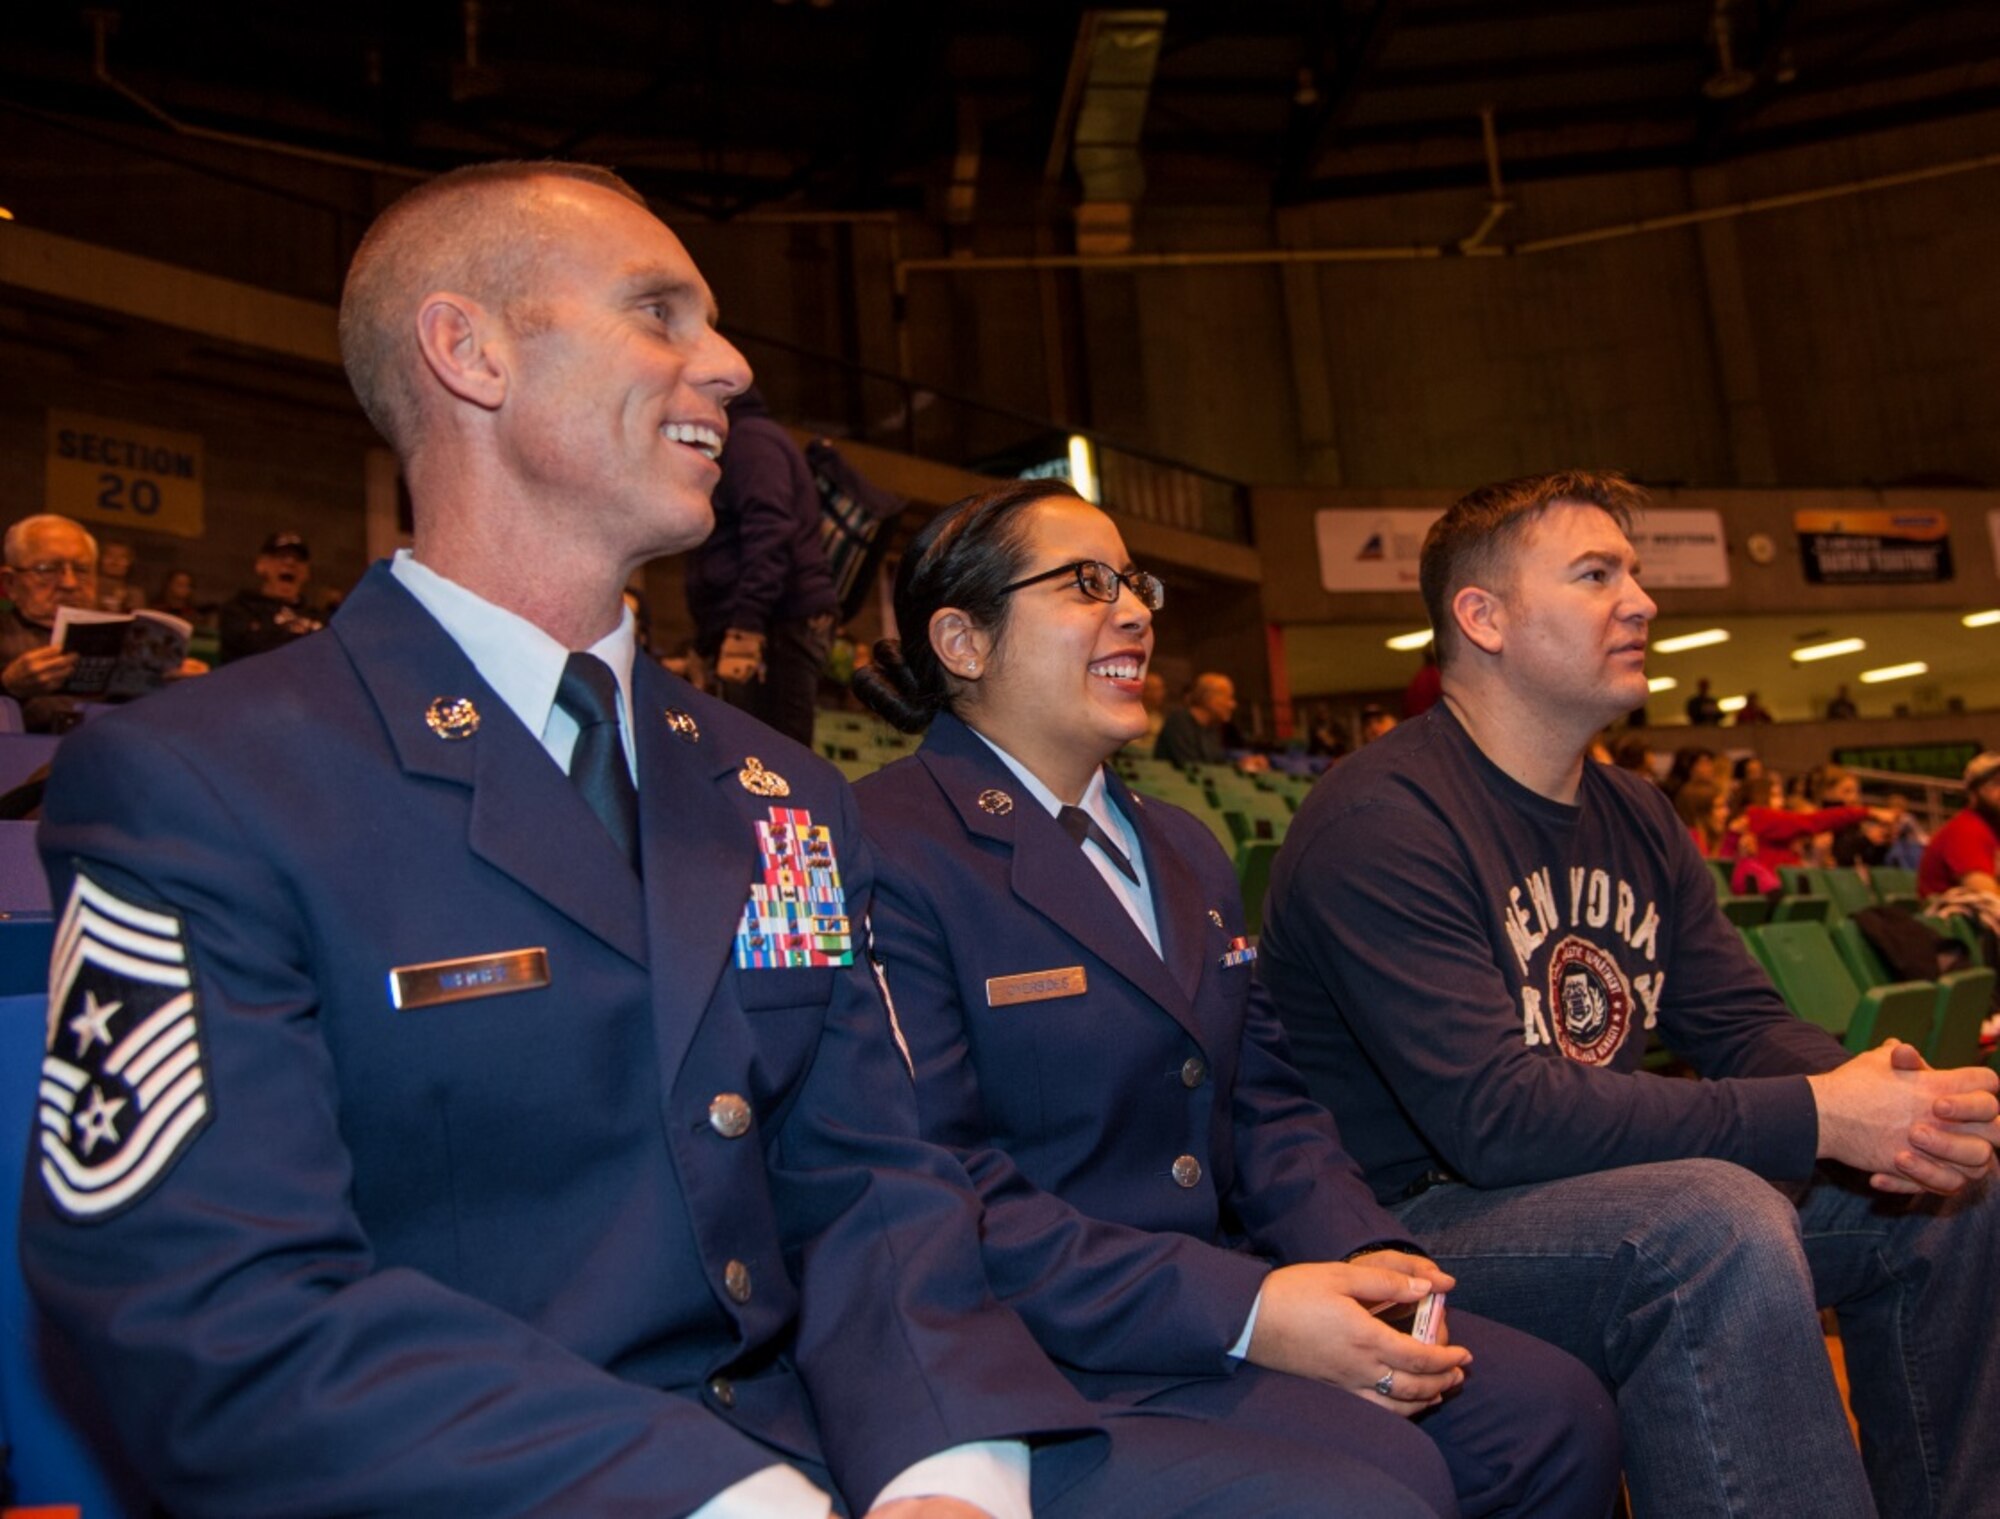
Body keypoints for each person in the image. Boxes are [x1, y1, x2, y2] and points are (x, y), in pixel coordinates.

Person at [17, 160, 1261, 1519]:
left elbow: (869, 1173)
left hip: (844, 1445)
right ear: (470, 350)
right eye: (661, 312)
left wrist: (947, 1469)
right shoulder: (205, 778)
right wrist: (722, 1498)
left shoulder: (774, 787)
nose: (727, 364)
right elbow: (206, 1295)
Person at [849, 479, 1619, 1519]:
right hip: (1035, 1343)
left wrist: (1358, 1252)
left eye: (1133, 582)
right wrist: (1249, 1309)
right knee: (1384, 1485)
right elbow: (942, 1185)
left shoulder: (1182, 848)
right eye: (1084, 584)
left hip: (1209, 1301)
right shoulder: (885, 844)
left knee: (1552, 1415)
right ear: (961, 639)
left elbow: (1266, 1106)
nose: (1133, 610)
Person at [1260, 469, 2000, 1519]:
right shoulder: (1379, 821)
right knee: (1710, 1220)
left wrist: (1906, 1102)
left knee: (1943, 1195)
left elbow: (1738, 1023)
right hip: (1410, 1224)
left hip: (1574, 1184)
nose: (1641, 600)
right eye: (1595, 574)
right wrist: (1818, 1113)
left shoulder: (1634, 811)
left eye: (1636, 573)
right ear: (1482, 618)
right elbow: (1496, 1120)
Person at [685, 383, 839, 747]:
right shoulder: (748, 440)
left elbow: (770, 532)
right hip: (769, 624)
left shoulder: (750, 442)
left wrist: (746, 625)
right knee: (761, 757)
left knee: (771, 761)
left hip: (774, 627)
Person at [1, 513, 99, 732]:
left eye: (82, 570)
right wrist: (7, 685)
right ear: (10, 583)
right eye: (48, 569)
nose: (70, 583)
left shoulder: (127, 641)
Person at [216, 530, 325, 663]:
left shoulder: (321, 618)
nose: (290, 562)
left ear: (307, 572)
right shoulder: (240, 610)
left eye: (299, 559)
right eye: (281, 556)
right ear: (261, 565)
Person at [1918, 750, 2000, 898]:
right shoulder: (1965, 830)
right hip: (1955, 919)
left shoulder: (1993, 829)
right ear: (1973, 794)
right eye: (1996, 783)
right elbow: (1989, 898)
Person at [1154, 673, 1234, 767]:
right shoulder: (1179, 722)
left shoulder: (1213, 727)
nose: (1232, 705)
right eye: (1228, 698)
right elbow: (1190, 766)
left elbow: (1218, 764)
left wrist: (1242, 766)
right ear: (1209, 698)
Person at [94, 539, 146, 613]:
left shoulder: (135, 595)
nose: (115, 561)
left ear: (130, 562)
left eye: (122, 557)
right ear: (100, 558)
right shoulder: (88, 587)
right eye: (110, 555)